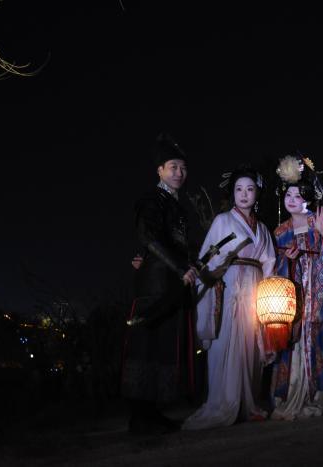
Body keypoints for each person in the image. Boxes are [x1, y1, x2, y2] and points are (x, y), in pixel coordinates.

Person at [182, 166, 276, 430]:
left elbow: (269, 262)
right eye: (239, 189)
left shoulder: (263, 228)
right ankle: (223, 402)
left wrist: (267, 290)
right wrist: (212, 280)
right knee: (226, 342)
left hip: (255, 286)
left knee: (250, 343)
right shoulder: (222, 221)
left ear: (257, 193)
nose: (244, 194)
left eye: (250, 189)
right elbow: (208, 258)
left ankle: (248, 403)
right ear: (232, 193)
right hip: (229, 287)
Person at [121, 133, 199, 434]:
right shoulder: (152, 199)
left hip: (171, 286)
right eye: (173, 167)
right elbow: (148, 236)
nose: (179, 173)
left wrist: (187, 264)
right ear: (160, 170)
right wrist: (180, 267)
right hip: (155, 287)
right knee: (146, 348)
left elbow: (172, 242)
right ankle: (139, 416)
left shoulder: (175, 204)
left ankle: (152, 413)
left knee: (163, 349)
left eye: (183, 168)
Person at [270, 155, 323, 420]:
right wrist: (287, 262)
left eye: (298, 195)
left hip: (315, 297)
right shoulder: (280, 231)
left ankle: (319, 391)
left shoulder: (317, 222)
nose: (292, 200)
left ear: (308, 199)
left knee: (317, 339)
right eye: (288, 195)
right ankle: (287, 393)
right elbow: (274, 269)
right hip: (292, 299)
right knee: (290, 341)